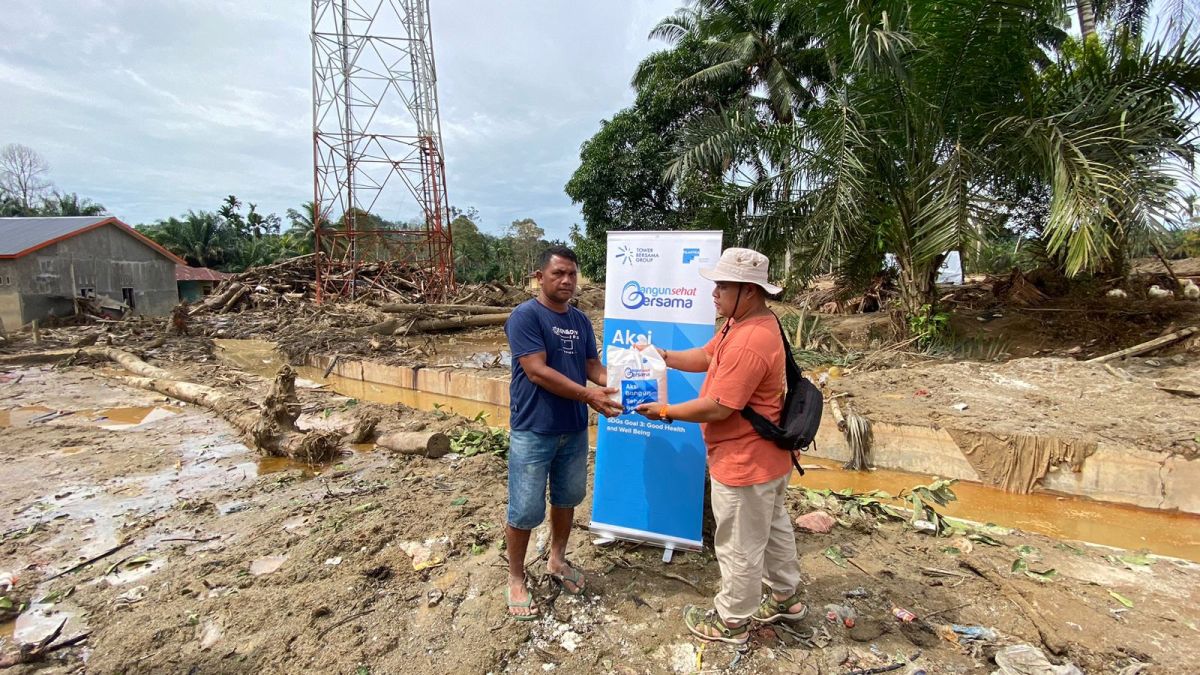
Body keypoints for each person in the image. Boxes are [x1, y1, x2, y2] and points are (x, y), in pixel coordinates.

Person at [635, 247, 805, 645]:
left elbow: (718, 407)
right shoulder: (743, 323)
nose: (713, 293)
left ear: (749, 290)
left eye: (722, 286)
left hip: (746, 460)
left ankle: (733, 621)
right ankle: (786, 597)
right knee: (773, 528)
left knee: (739, 545)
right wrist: (665, 356)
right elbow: (706, 356)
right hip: (768, 458)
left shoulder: (750, 340)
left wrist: (665, 411)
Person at [503, 245, 622, 621]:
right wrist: (589, 395)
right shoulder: (525, 316)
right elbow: (536, 370)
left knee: (567, 498)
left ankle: (556, 560)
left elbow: (591, 366)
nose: (567, 280)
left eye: (572, 274)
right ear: (540, 277)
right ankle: (515, 576)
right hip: (533, 429)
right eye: (558, 273)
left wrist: (626, 383)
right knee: (524, 509)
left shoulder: (580, 320)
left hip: (573, 429)